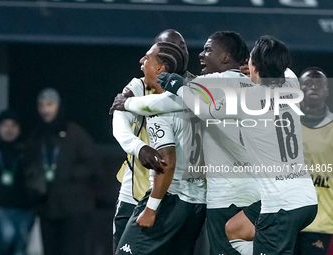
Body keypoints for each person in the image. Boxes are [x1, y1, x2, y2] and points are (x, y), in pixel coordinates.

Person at [160, 35, 318, 254]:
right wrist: (259, 68)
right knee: (234, 229)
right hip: (305, 198)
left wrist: (179, 88)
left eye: (251, 60)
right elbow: (286, 70)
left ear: (256, 66)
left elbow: (205, 111)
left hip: (281, 204)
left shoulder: (245, 99)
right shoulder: (291, 86)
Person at [111, 31, 261, 255]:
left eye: (208, 50)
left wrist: (128, 103)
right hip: (216, 200)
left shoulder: (182, 94)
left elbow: (167, 159)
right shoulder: (246, 86)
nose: (200, 54)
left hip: (176, 197)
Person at [115, 41, 206, 255]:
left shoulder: (158, 110)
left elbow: (167, 163)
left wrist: (151, 208)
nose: (141, 61)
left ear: (160, 68)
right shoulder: (196, 97)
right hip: (198, 203)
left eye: (147, 57)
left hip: (170, 198)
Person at [25, 88, 103, 255]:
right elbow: (30, 164)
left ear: (58, 106)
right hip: (48, 207)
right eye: (41, 105)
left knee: (72, 251)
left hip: (75, 207)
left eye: (50, 104)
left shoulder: (75, 133)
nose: (45, 110)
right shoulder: (37, 135)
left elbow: (94, 165)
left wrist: (70, 174)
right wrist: (34, 180)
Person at [293, 67, 333, 255]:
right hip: (287, 219)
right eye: (308, 84)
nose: (314, 87)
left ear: (327, 91)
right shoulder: (285, 125)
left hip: (321, 223)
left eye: (319, 85)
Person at [0, 109, 35, 255]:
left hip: (24, 208)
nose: (9, 130)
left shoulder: (26, 150)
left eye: (13, 126)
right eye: (5, 125)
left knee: (20, 246)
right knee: (6, 235)